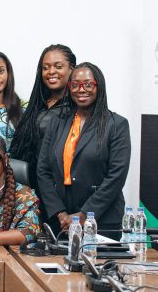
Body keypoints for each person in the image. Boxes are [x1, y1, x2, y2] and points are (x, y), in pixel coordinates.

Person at [37, 62, 130, 237]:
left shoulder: (117, 124)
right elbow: (43, 170)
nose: (81, 89)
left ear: (98, 86)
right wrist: (60, 212)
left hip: (102, 220)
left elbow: (116, 176)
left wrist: (85, 214)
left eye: (88, 84)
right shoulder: (56, 122)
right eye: (75, 85)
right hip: (61, 221)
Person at [10, 45, 76, 193]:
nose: (51, 71)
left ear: (71, 69)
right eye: (46, 67)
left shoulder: (78, 109)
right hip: (30, 188)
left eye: (58, 66)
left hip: (62, 189)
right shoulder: (36, 106)